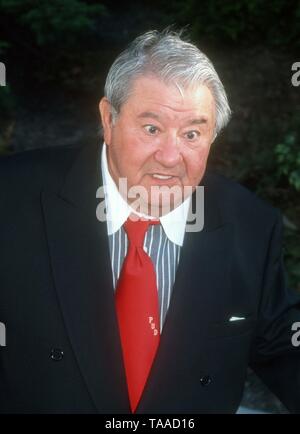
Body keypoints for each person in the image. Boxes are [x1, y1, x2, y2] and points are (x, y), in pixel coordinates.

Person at [0, 29, 299, 414]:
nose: (171, 156)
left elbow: (282, 345)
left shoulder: (251, 226)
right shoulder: (11, 199)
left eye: (192, 133)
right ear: (108, 119)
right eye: (152, 128)